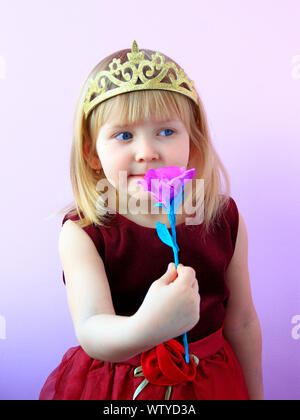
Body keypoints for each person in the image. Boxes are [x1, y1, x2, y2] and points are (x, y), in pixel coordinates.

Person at [39, 41, 263, 400]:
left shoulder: (223, 218)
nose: (147, 152)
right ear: (91, 153)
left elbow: (243, 321)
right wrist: (148, 326)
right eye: (124, 135)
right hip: (120, 390)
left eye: (166, 131)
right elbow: (91, 328)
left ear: (195, 141)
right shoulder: (83, 232)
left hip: (212, 385)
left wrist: (255, 393)